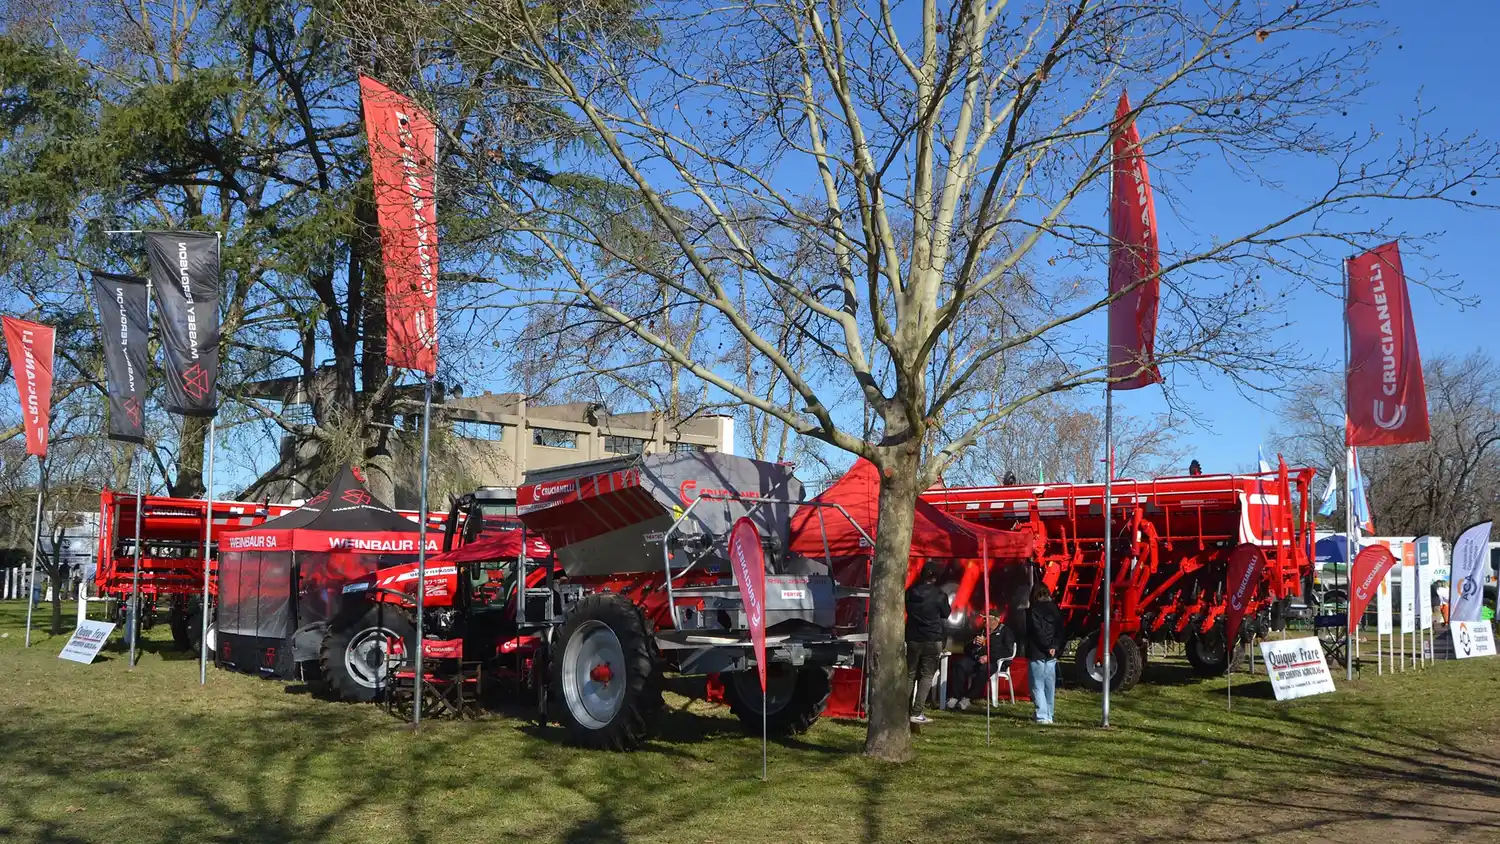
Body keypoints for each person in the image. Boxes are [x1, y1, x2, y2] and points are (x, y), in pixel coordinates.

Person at [905, 562, 950, 724]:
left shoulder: (910, 592)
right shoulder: (939, 595)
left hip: (913, 637)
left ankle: (904, 710)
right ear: (935, 577)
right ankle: (917, 711)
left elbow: (908, 609)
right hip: (932, 638)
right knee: (927, 675)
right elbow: (946, 613)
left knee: (909, 674)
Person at [946, 612, 1016, 710]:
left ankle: (968, 698)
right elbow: (966, 649)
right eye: (984, 619)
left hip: (994, 661)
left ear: (996, 620)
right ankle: (955, 696)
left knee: (984, 669)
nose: (984, 621)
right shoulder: (981, 631)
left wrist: (989, 657)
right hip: (976, 658)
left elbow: (1008, 651)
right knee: (960, 665)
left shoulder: (1005, 632)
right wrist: (973, 643)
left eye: (987, 619)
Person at [1024, 581, 1064, 724]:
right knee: (1049, 685)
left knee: (1037, 685)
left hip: (1038, 651)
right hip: (1052, 652)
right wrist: (1054, 646)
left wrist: (1047, 646)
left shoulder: (1033, 610)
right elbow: (1060, 630)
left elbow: (1036, 631)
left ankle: (1042, 715)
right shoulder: (1055, 609)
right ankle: (1049, 714)